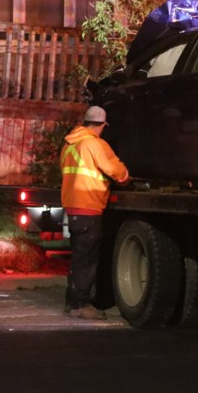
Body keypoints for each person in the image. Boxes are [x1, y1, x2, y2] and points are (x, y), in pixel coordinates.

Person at [60, 105, 129, 320]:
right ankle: (79, 305)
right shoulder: (95, 144)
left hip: (73, 206)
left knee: (79, 258)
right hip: (89, 205)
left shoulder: (69, 145)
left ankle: (72, 301)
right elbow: (116, 170)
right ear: (101, 125)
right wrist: (127, 178)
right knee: (86, 260)